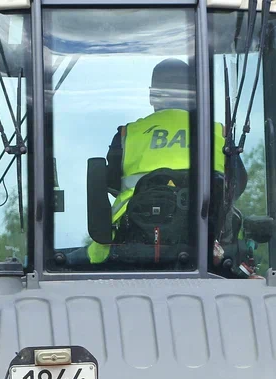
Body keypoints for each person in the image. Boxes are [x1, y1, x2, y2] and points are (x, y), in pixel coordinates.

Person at [87, 58, 242, 265]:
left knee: (88, 259)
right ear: (194, 95)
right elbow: (238, 183)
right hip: (213, 244)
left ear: (153, 96)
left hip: (131, 241)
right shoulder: (218, 133)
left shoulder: (128, 134)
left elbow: (113, 183)